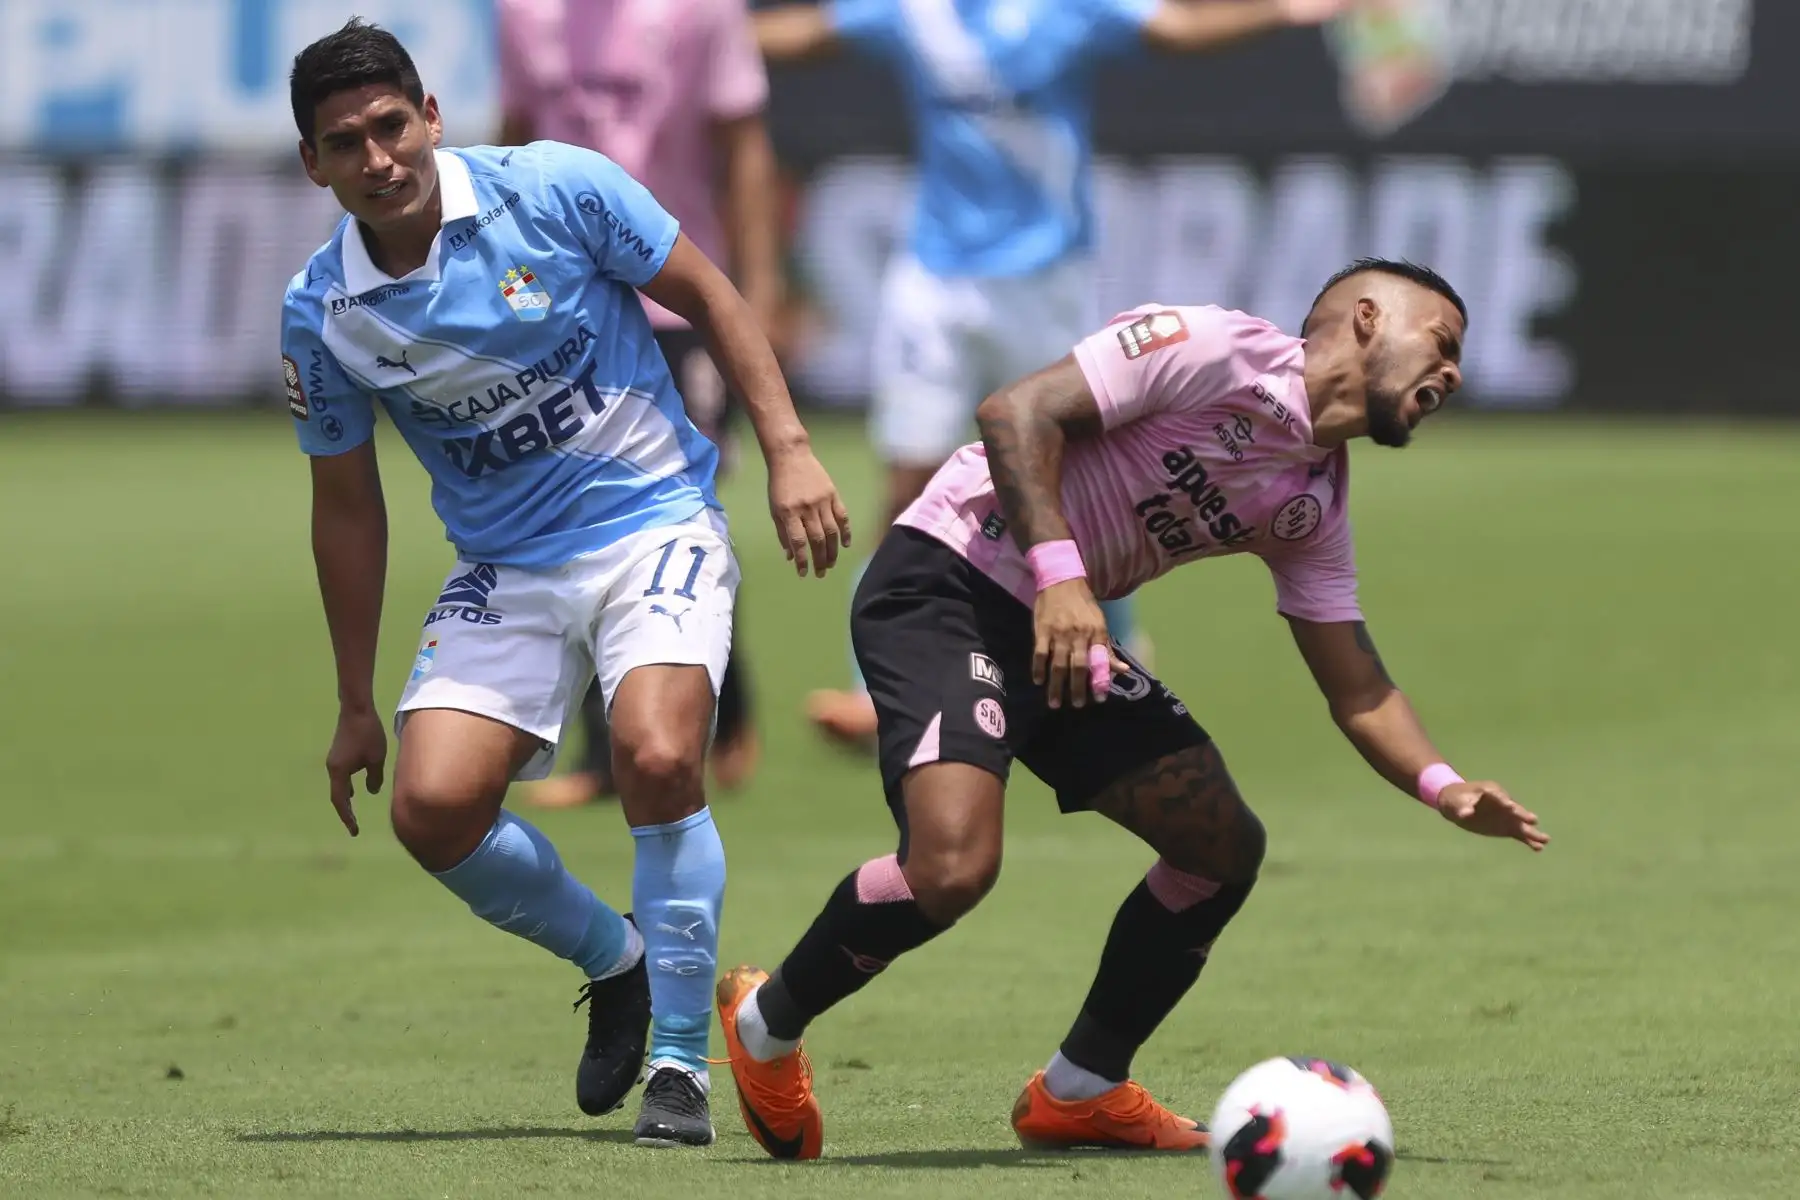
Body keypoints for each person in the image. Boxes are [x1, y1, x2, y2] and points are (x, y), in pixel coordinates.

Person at [710, 259, 1550, 1160]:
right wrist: (1065, 581)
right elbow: (1014, 412)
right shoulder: (1216, 349)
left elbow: (1360, 689)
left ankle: (1081, 1088)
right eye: (1443, 343)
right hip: (946, 581)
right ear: (1369, 319)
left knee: (1221, 845)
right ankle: (766, 1025)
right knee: (953, 867)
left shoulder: (1313, 501)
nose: (1454, 373)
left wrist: (1444, 787)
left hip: (1060, 633)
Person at [280, 19, 848, 1149]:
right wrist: (354, 701)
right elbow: (346, 506)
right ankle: (616, 960)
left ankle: (682, 1063)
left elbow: (715, 297)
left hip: (653, 524)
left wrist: (788, 448)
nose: (377, 157)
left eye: (391, 125)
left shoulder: (558, 190)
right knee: (432, 811)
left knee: (655, 752)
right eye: (345, 143)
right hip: (506, 565)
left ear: (432, 117)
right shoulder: (322, 312)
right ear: (316, 164)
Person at [753, 0, 1352, 745]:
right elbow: (801, 35)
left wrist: (1288, 10)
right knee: (908, 488)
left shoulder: (1070, 9)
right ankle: (873, 688)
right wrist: (692, 33)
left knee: (1081, 479)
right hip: (936, 282)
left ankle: (1122, 655)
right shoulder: (913, 14)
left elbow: (1180, 28)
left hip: (1047, 281)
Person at [495, 0, 785, 805]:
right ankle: (621, 747)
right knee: (578, 513)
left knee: (682, 509)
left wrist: (755, 291)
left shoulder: (705, 11)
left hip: (675, 299)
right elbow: (511, 143)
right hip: (562, 305)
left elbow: (745, 147)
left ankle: (711, 716)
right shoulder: (522, 12)